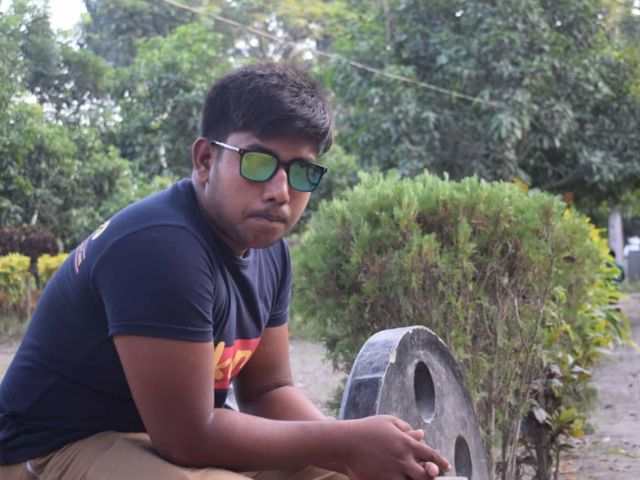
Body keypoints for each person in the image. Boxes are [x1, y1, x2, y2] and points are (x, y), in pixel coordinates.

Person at [0, 62, 450, 480]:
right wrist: (345, 444)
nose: (280, 191)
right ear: (205, 160)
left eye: (302, 171)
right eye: (259, 162)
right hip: (50, 447)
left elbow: (268, 389)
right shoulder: (161, 246)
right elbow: (189, 438)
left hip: (158, 437)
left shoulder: (270, 252)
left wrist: (352, 452)